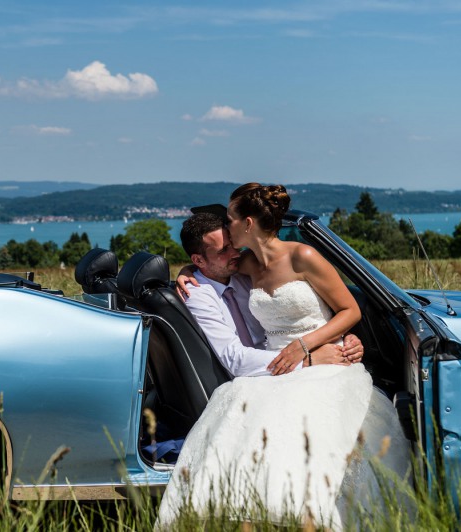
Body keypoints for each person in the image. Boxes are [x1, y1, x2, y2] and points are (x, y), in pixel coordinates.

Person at [157, 183, 410, 529]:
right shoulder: (244, 263)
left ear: (247, 223)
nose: (228, 232)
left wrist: (309, 347)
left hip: (323, 360)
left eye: (229, 220)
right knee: (258, 418)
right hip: (280, 365)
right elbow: (209, 268)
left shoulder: (301, 256)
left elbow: (349, 310)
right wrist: (186, 273)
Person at [177, 211, 364, 377]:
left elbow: (297, 312)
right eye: (224, 250)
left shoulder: (245, 271)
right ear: (198, 260)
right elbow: (234, 359)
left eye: (232, 244)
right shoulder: (196, 295)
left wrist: (343, 337)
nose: (236, 253)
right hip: (256, 376)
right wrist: (307, 360)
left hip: (300, 358)